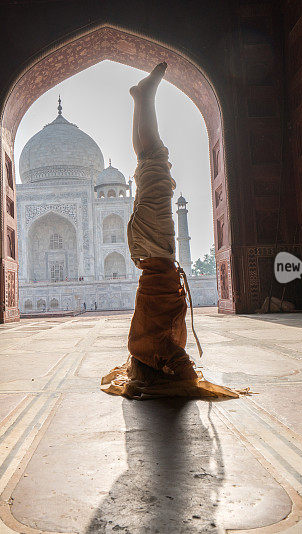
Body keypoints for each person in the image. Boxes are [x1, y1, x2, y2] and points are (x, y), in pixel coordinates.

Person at [101, 62, 246, 399]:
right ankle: (141, 99)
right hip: (146, 246)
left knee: (154, 158)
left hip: (154, 246)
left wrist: (182, 367)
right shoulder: (147, 342)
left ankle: (145, 98)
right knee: (147, 160)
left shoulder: (160, 336)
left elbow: (178, 360)